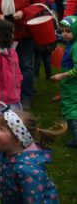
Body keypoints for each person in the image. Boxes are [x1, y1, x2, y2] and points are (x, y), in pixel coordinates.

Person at [0, 108, 66, 203]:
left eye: (0, 129)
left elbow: (34, 200)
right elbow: (3, 174)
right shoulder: (5, 153)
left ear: (16, 140)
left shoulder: (27, 171)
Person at [50, 15, 77, 147]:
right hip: (69, 84)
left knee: (71, 107)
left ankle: (76, 136)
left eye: (68, 31)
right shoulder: (71, 44)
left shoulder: (75, 47)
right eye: (63, 31)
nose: (64, 34)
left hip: (72, 84)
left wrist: (62, 76)